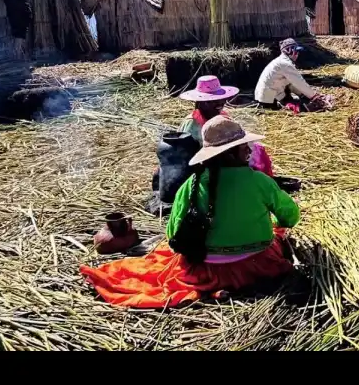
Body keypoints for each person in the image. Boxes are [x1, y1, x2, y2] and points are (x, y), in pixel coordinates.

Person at [80, 117, 301, 309]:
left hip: (203, 267)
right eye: (243, 146)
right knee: (276, 231)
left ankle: (213, 290)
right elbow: (290, 217)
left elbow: (173, 233)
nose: (249, 150)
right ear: (230, 152)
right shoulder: (260, 181)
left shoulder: (192, 185)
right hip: (256, 264)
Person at [177, 75, 273, 175]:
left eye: (221, 99)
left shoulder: (223, 116)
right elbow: (185, 157)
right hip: (205, 168)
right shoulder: (191, 124)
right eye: (213, 101)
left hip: (228, 162)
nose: (220, 103)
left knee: (258, 152)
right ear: (201, 102)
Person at [255, 39, 334, 113]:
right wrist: (314, 96)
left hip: (273, 92)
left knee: (295, 100)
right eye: (296, 51)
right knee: (301, 109)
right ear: (288, 51)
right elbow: (299, 82)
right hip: (268, 97)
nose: (297, 54)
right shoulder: (285, 64)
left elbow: (292, 84)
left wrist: (304, 95)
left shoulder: (282, 62)